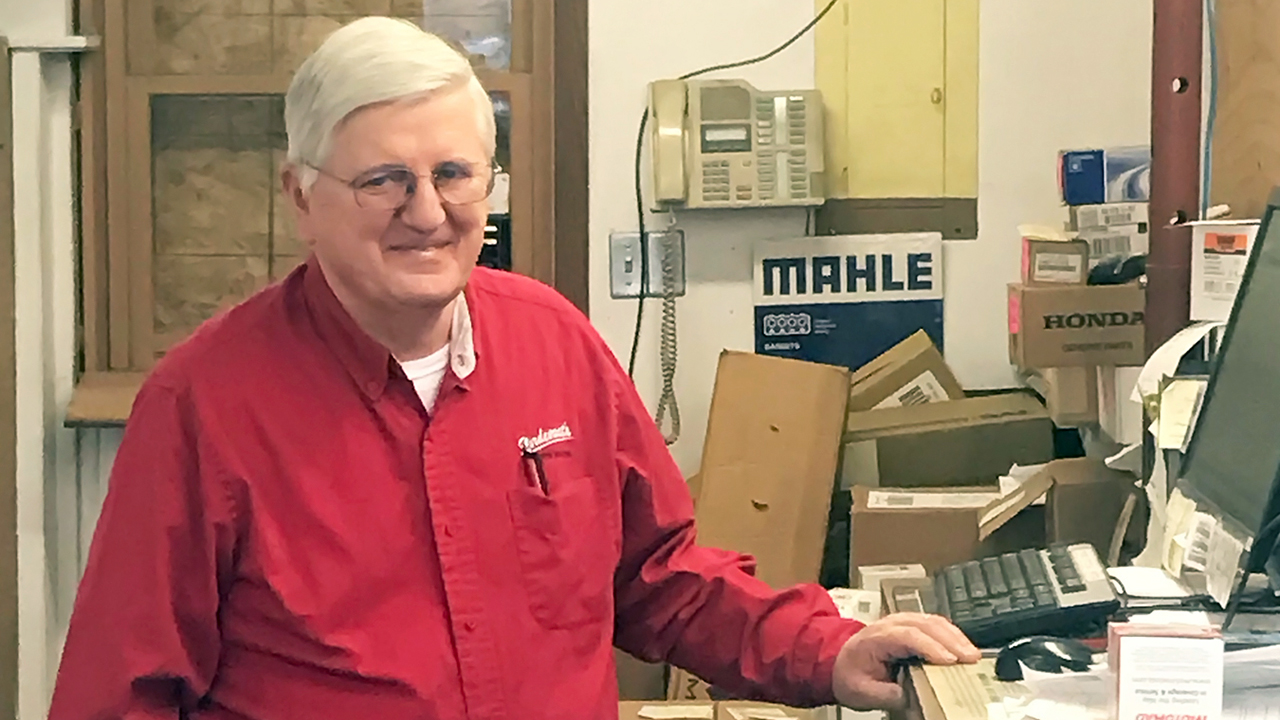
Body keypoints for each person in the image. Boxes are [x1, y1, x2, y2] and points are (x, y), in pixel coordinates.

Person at [48, 17, 977, 720]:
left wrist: (829, 651)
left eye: (456, 173)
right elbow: (120, 691)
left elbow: (660, 579)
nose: (427, 211)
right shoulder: (205, 404)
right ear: (302, 196)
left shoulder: (554, 344)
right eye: (384, 180)